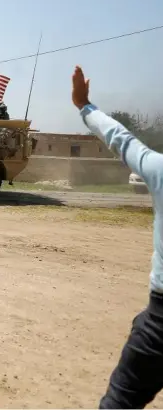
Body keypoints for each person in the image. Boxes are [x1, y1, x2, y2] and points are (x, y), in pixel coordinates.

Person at [73, 65, 163, 409]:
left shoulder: (158, 170)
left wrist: (84, 106)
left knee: (120, 401)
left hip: (160, 325)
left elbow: (121, 139)